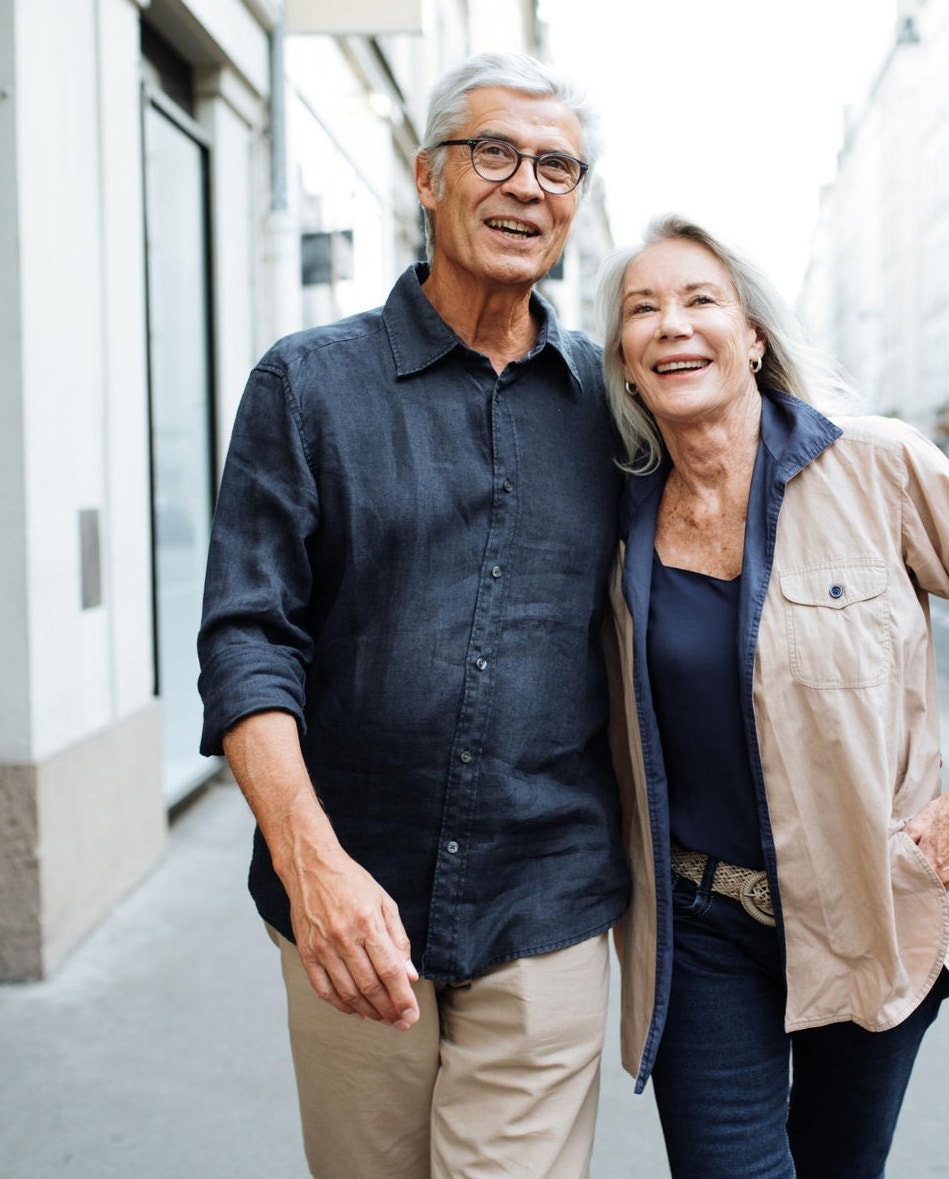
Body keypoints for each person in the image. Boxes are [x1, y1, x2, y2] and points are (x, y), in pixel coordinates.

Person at [598, 216, 949, 1179]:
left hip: (871, 898)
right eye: (642, 309)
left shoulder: (876, 463)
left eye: (700, 300)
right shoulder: (614, 512)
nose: (672, 325)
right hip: (700, 922)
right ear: (623, 360)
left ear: (752, 336)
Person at [197, 53, 625, 1179]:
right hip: (348, 900)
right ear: (426, 174)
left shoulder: (613, 407)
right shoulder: (305, 385)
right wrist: (311, 867)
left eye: (557, 166)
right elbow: (247, 640)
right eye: (495, 154)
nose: (526, 186)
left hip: (548, 899)